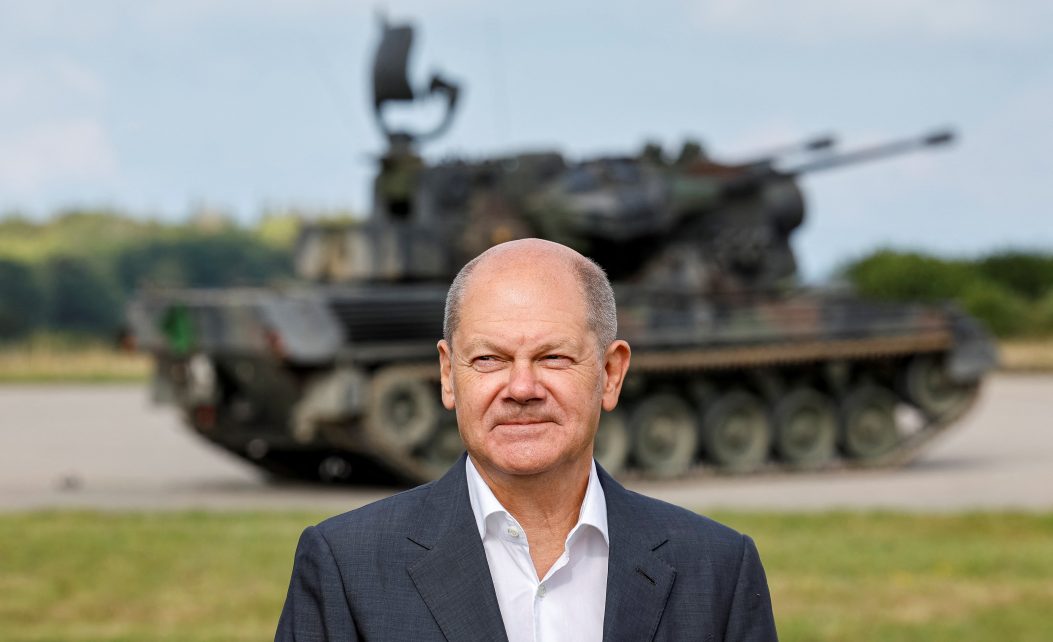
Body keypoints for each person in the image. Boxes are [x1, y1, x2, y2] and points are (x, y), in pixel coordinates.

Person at [276, 239, 778, 641]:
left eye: (553, 357)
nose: (521, 388)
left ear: (610, 373)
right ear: (448, 375)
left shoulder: (717, 571)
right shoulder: (347, 568)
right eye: (489, 359)